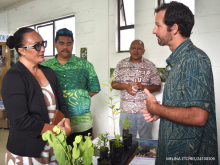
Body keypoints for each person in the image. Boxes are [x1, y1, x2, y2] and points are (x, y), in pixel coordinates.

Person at [142, 2, 218, 165]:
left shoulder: (194, 58)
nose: (154, 30)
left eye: (158, 25)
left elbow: (198, 116)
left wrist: (154, 107)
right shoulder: (178, 61)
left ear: (174, 28)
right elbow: (184, 108)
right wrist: (160, 112)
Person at [2, 27, 71, 164]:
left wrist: (67, 126)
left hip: (54, 145)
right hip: (27, 150)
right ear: (21, 50)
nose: (43, 49)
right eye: (36, 46)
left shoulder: (49, 72)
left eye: (42, 44)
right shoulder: (14, 78)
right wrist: (57, 130)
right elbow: (21, 121)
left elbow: (62, 104)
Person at [42, 28, 101, 146]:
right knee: (59, 159)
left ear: (73, 45)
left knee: (84, 159)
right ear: (55, 44)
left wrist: (78, 97)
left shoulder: (85, 65)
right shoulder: (45, 67)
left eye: (69, 44)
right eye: (61, 43)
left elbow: (94, 89)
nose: (65, 47)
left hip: (82, 123)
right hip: (56, 123)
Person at [111, 39, 161, 139]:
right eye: (133, 48)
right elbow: (113, 83)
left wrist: (143, 87)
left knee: (145, 139)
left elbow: (158, 86)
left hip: (145, 110)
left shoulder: (150, 65)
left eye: (139, 48)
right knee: (126, 140)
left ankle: (145, 155)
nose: (136, 50)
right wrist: (126, 86)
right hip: (126, 110)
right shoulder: (121, 64)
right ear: (129, 49)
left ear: (143, 51)